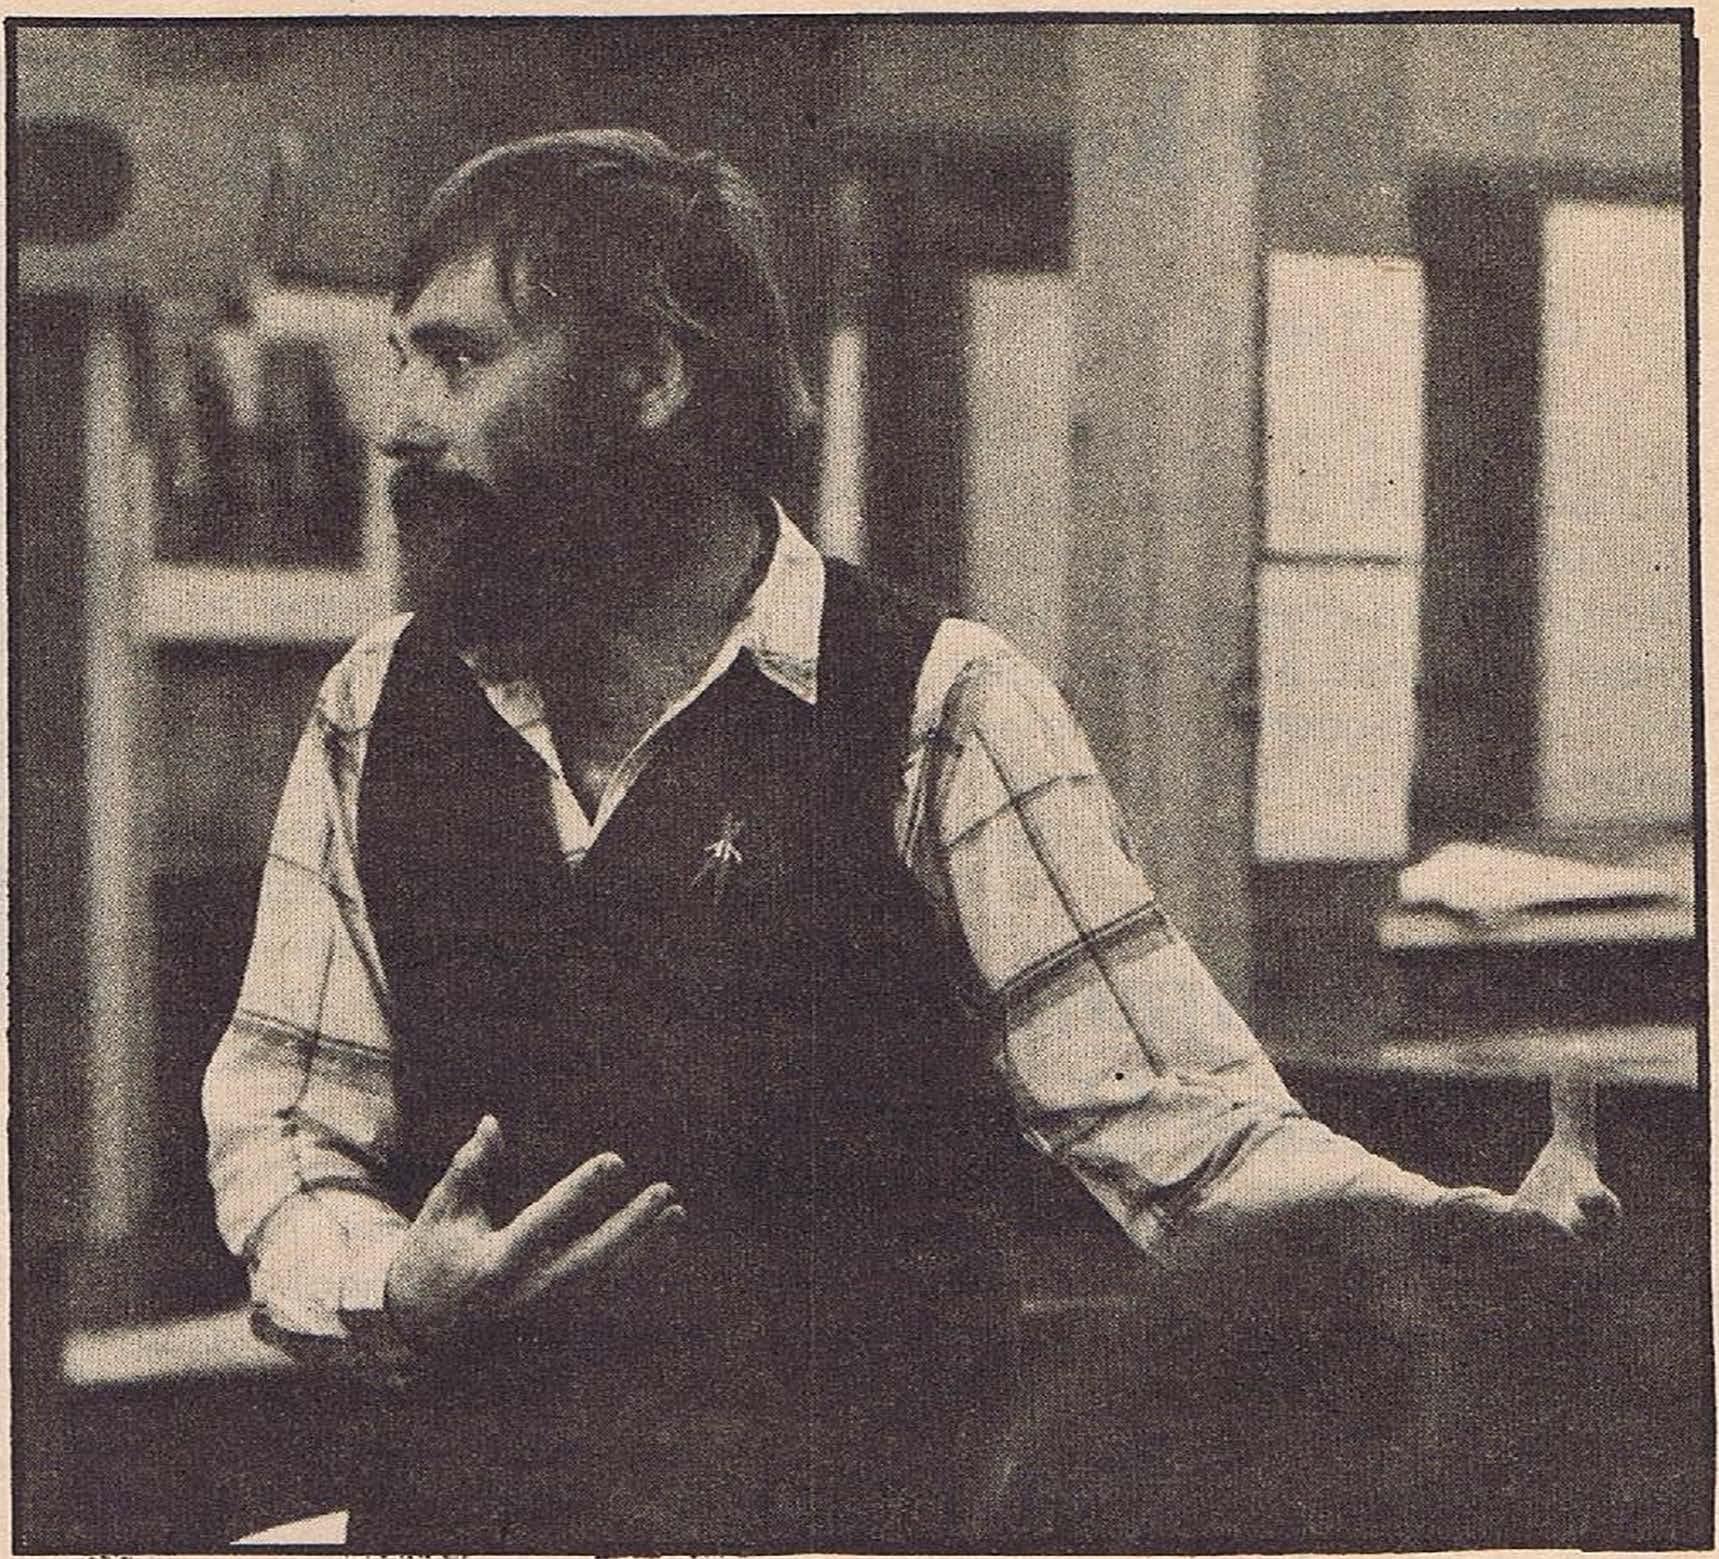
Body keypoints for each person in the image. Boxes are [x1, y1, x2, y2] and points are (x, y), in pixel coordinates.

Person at [202, 127, 1619, 1552]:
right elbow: (285, 1124)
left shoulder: (940, 707)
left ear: (648, 378)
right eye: (400, 362)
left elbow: (1183, 1132)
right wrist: (388, 1282)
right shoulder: (373, 707)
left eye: (456, 361)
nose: (398, 423)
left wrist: (1470, 1245)